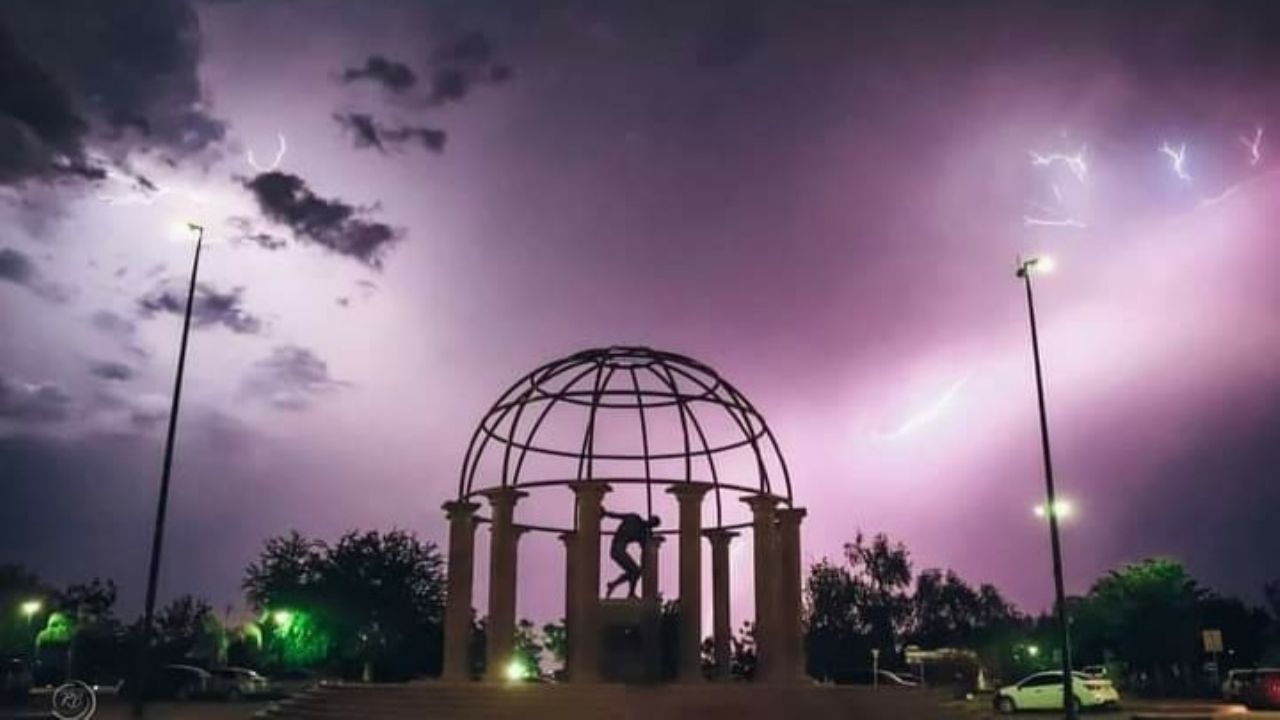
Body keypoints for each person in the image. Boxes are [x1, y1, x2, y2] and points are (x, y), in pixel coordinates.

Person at [602, 509, 661, 599]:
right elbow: (618, 515)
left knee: (635, 572)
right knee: (635, 571)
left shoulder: (641, 532)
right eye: (652, 522)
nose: (650, 524)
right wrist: (606, 513)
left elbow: (645, 548)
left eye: (653, 524)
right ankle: (623, 589)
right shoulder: (634, 519)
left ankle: (616, 585)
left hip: (619, 549)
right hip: (617, 549)